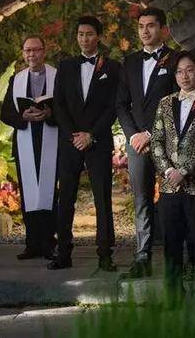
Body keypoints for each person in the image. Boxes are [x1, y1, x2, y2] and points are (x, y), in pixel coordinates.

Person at [151, 51, 195, 304]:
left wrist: (184, 171)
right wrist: (168, 171)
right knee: (171, 243)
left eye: (190, 70)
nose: (185, 76)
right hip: (169, 186)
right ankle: (173, 296)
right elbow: (156, 141)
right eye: (180, 71)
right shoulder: (164, 103)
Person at [49, 16, 121, 271]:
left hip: (98, 141)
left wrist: (91, 135)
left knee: (102, 197)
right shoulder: (65, 66)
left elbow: (113, 106)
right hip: (70, 142)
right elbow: (58, 104)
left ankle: (105, 254)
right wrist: (74, 135)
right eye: (80, 34)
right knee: (66, 197)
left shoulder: (113, 68)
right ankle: (63, 253)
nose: (84, 38)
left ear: (98, 36)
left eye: (89, 34)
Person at [116, 7, 179, 278]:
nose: (145, 31)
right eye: (141, 26)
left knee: (171, 200)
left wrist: (152, 135)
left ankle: (176, 260)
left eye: (151, 25)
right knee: (141, 200)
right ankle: (142, 258)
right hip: (137, 144)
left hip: (167, 142)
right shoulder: (130, 62)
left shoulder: (177, 60)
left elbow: (178, 103)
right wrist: (133, 135)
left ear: (163, 29)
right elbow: (121, 104)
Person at [0, 35, 58, 260]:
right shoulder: (16, 79)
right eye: (27, 50)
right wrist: (22, 116)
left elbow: (67, 107)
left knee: (50, 193)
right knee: (29, 194)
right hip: (26, 139)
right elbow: (5, 113)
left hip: (51, 139)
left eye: (36, 50)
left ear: (44, 51)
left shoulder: (57, 77)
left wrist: (51, 113)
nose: (32, 54)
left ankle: (50, 243)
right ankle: (32, 244)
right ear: (23, 53)